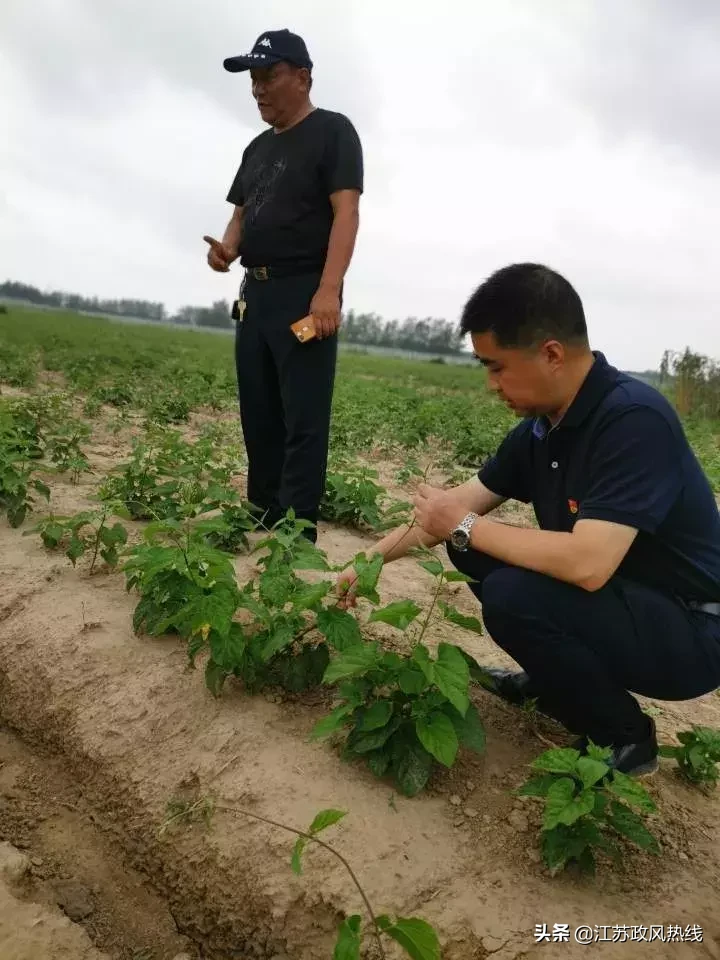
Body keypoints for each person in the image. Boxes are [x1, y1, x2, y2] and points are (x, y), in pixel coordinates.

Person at [339, 263, 720, 775]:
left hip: (694, 630)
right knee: (467, 544)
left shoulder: (632, 420)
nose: (491, 384)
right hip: (629, 600)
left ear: (552, 354)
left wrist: (463, 523)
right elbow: (454, 509)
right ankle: (553, 678)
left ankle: (626, 738)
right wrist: (367, 562)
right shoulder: (542, 430)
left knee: (509, 592)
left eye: (497, 367)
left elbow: (588, 564)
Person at [205, 29, 363, 542]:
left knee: (304, 417)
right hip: (256, 295)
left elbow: (346, 214)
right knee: (259, 410)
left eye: (268, 75)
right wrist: (227, 251)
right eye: (252, 79)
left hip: (304, 293)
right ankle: (262, 511)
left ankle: (297, 530)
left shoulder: (333, 132)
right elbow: (241, 216)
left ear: (303, 75)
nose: (258, 88)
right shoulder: (255, 149)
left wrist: (329, 290)